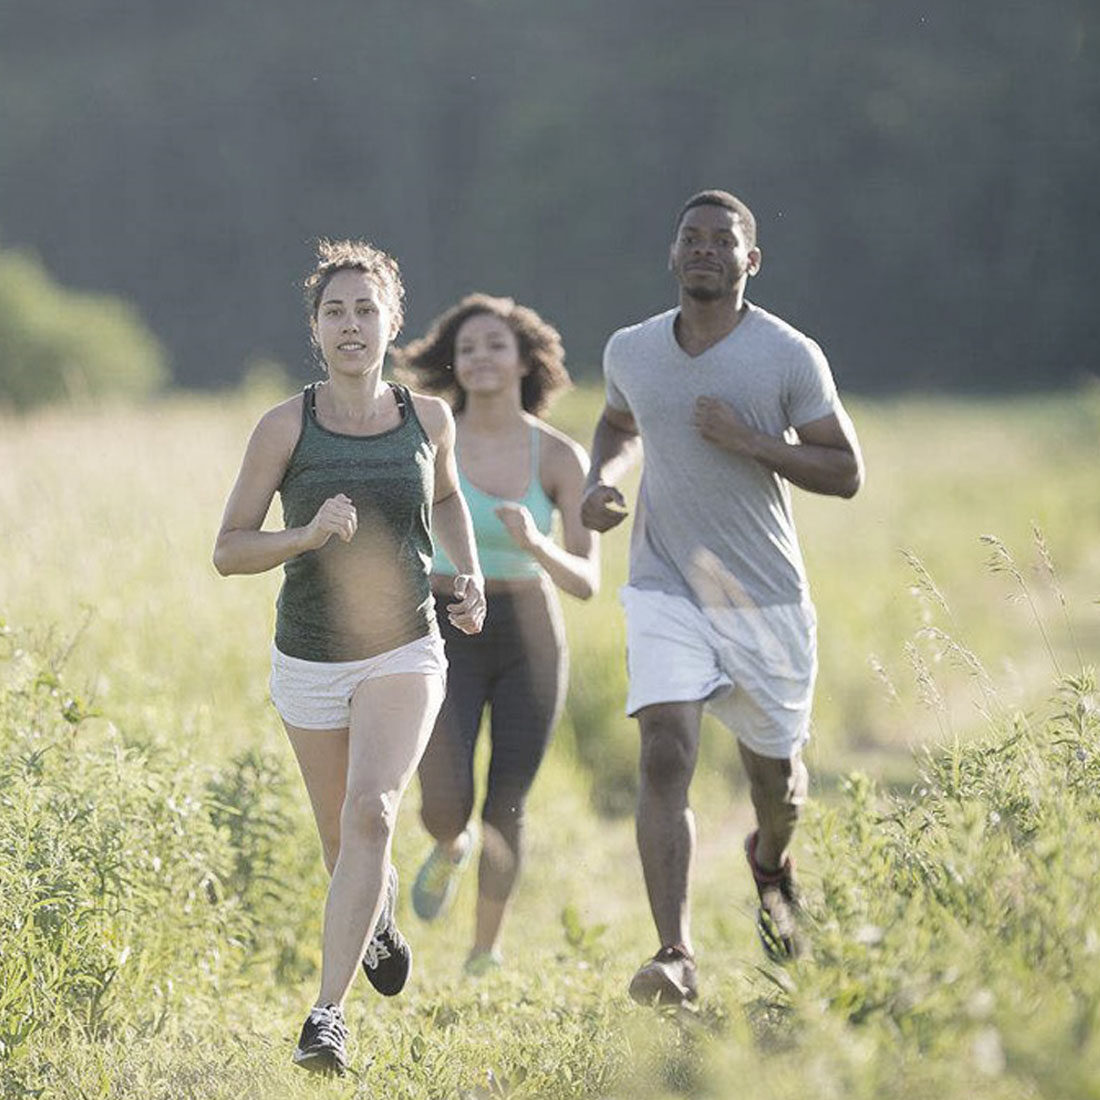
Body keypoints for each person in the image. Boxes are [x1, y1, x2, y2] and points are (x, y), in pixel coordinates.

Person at [581, 190, 864, 1006]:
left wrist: (751, 442)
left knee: (777, 786)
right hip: (664, 582)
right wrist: (601, 480)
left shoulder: (787, 355)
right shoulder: (632, 349)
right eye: (691, 237)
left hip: (763, 598)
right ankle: (675, 955)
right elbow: (618, 422)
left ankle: (769, 862)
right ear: (673, 255)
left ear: (751, 260)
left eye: (723, 239)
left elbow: (846, 472)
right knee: (665, 749)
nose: (705, 248)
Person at [212, 239, 486, 1076]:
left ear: (393, 322)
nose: (352, 324)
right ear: (316, 328)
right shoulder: (284, 426)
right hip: (309, 659)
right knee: (342, 846)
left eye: (367, 309)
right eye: (336, 311)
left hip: (403, 646)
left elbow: (447, 498)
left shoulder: (428, 419)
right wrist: (305, 534)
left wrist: (467, 575)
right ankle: (380, 915)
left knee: (372, 813)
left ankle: (324, 1019)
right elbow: (229, 550)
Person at [394, 293, 598, 974]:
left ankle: (484, 951)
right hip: (444, 622)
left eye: (496, 345)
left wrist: (537, 543)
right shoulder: (429, 438)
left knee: (507, 802)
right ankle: (448, 846)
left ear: (524, 361)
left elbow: (586, 580)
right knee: (445, 801)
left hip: (529, 633)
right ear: (453, 362)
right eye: (469, 347)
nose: (481, 357)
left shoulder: (559, 456)